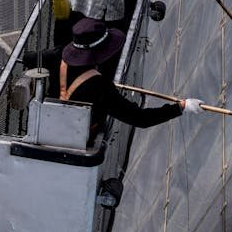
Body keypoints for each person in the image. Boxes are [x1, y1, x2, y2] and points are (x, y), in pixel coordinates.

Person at [59, 17, 201, 142]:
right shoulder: (100, 87)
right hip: (78, 140)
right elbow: (140, 118)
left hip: (51, 128)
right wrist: (181, 107)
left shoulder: (57, 57)